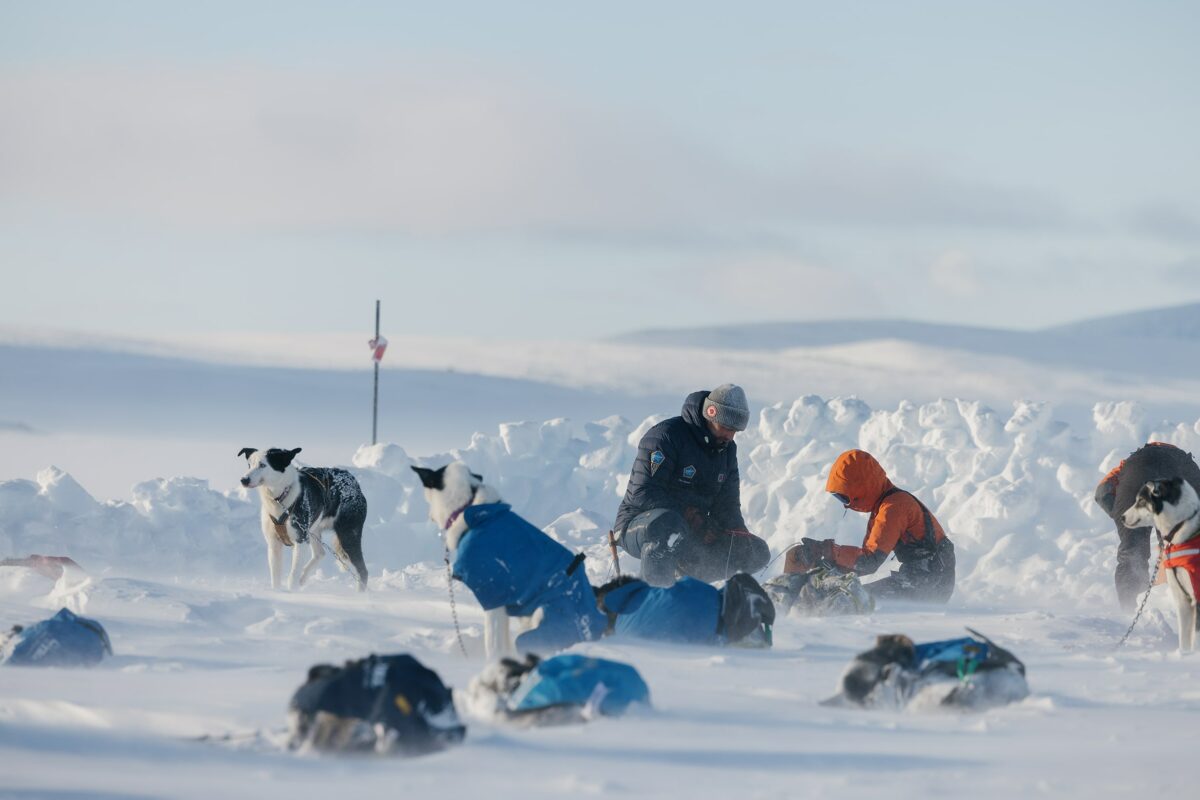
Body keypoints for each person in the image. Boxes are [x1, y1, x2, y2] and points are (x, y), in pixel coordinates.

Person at [612, 384, 770, 587]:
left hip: (693, 530)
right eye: (726, 428)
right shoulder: (666, 436)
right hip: (640, 526)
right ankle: (655, 601)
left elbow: (728, 505)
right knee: (668, 525)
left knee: (755, 551)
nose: (730, 436)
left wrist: (739, 535)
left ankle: (691, 590)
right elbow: (644, 493)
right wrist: (688, 516)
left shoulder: (727, 451)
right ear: (711, 415)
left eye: (735, 431)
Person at [784, 449, 955, 603]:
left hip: (929, 583)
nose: (846, 505)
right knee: (848, 597)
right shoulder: (883, 506)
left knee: (851, 600)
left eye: (845, 497)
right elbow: (862, 562)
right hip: (923, 578)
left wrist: (827, 550)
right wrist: (829, 566)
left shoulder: (893, 507)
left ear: (862, 487)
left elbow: (869, 561)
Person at [1093, 442, 1200, 612]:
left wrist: (1122, 517)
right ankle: (1170, 607)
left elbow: (1102, 492)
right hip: (1172, 479)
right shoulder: (1187, 465)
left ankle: (1129, 609)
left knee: (1132, 553)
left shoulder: (1127, 464)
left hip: (1133, 479)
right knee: (1175, 551)